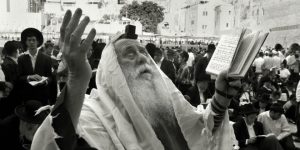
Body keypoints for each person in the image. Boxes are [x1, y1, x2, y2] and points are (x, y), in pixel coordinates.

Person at [32, 8, 242, 150]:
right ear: (114, 73)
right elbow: (51, 144)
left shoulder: (167, 105)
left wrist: (221, 96)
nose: (142, 57)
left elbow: (200, 132)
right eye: (130, 54)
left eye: (143, 52)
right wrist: (77, 80)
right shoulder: (92, 116)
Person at [17, 28, 53, 105]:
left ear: (38, 42)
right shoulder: (21, 59)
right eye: (29, 40)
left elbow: (50, 76)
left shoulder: (47, 58)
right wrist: (29, 77)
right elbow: (19, 77)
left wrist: (45, 81)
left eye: (34, 40)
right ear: (26, 42)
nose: (31, 42)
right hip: (27, 94)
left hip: (42, 94)